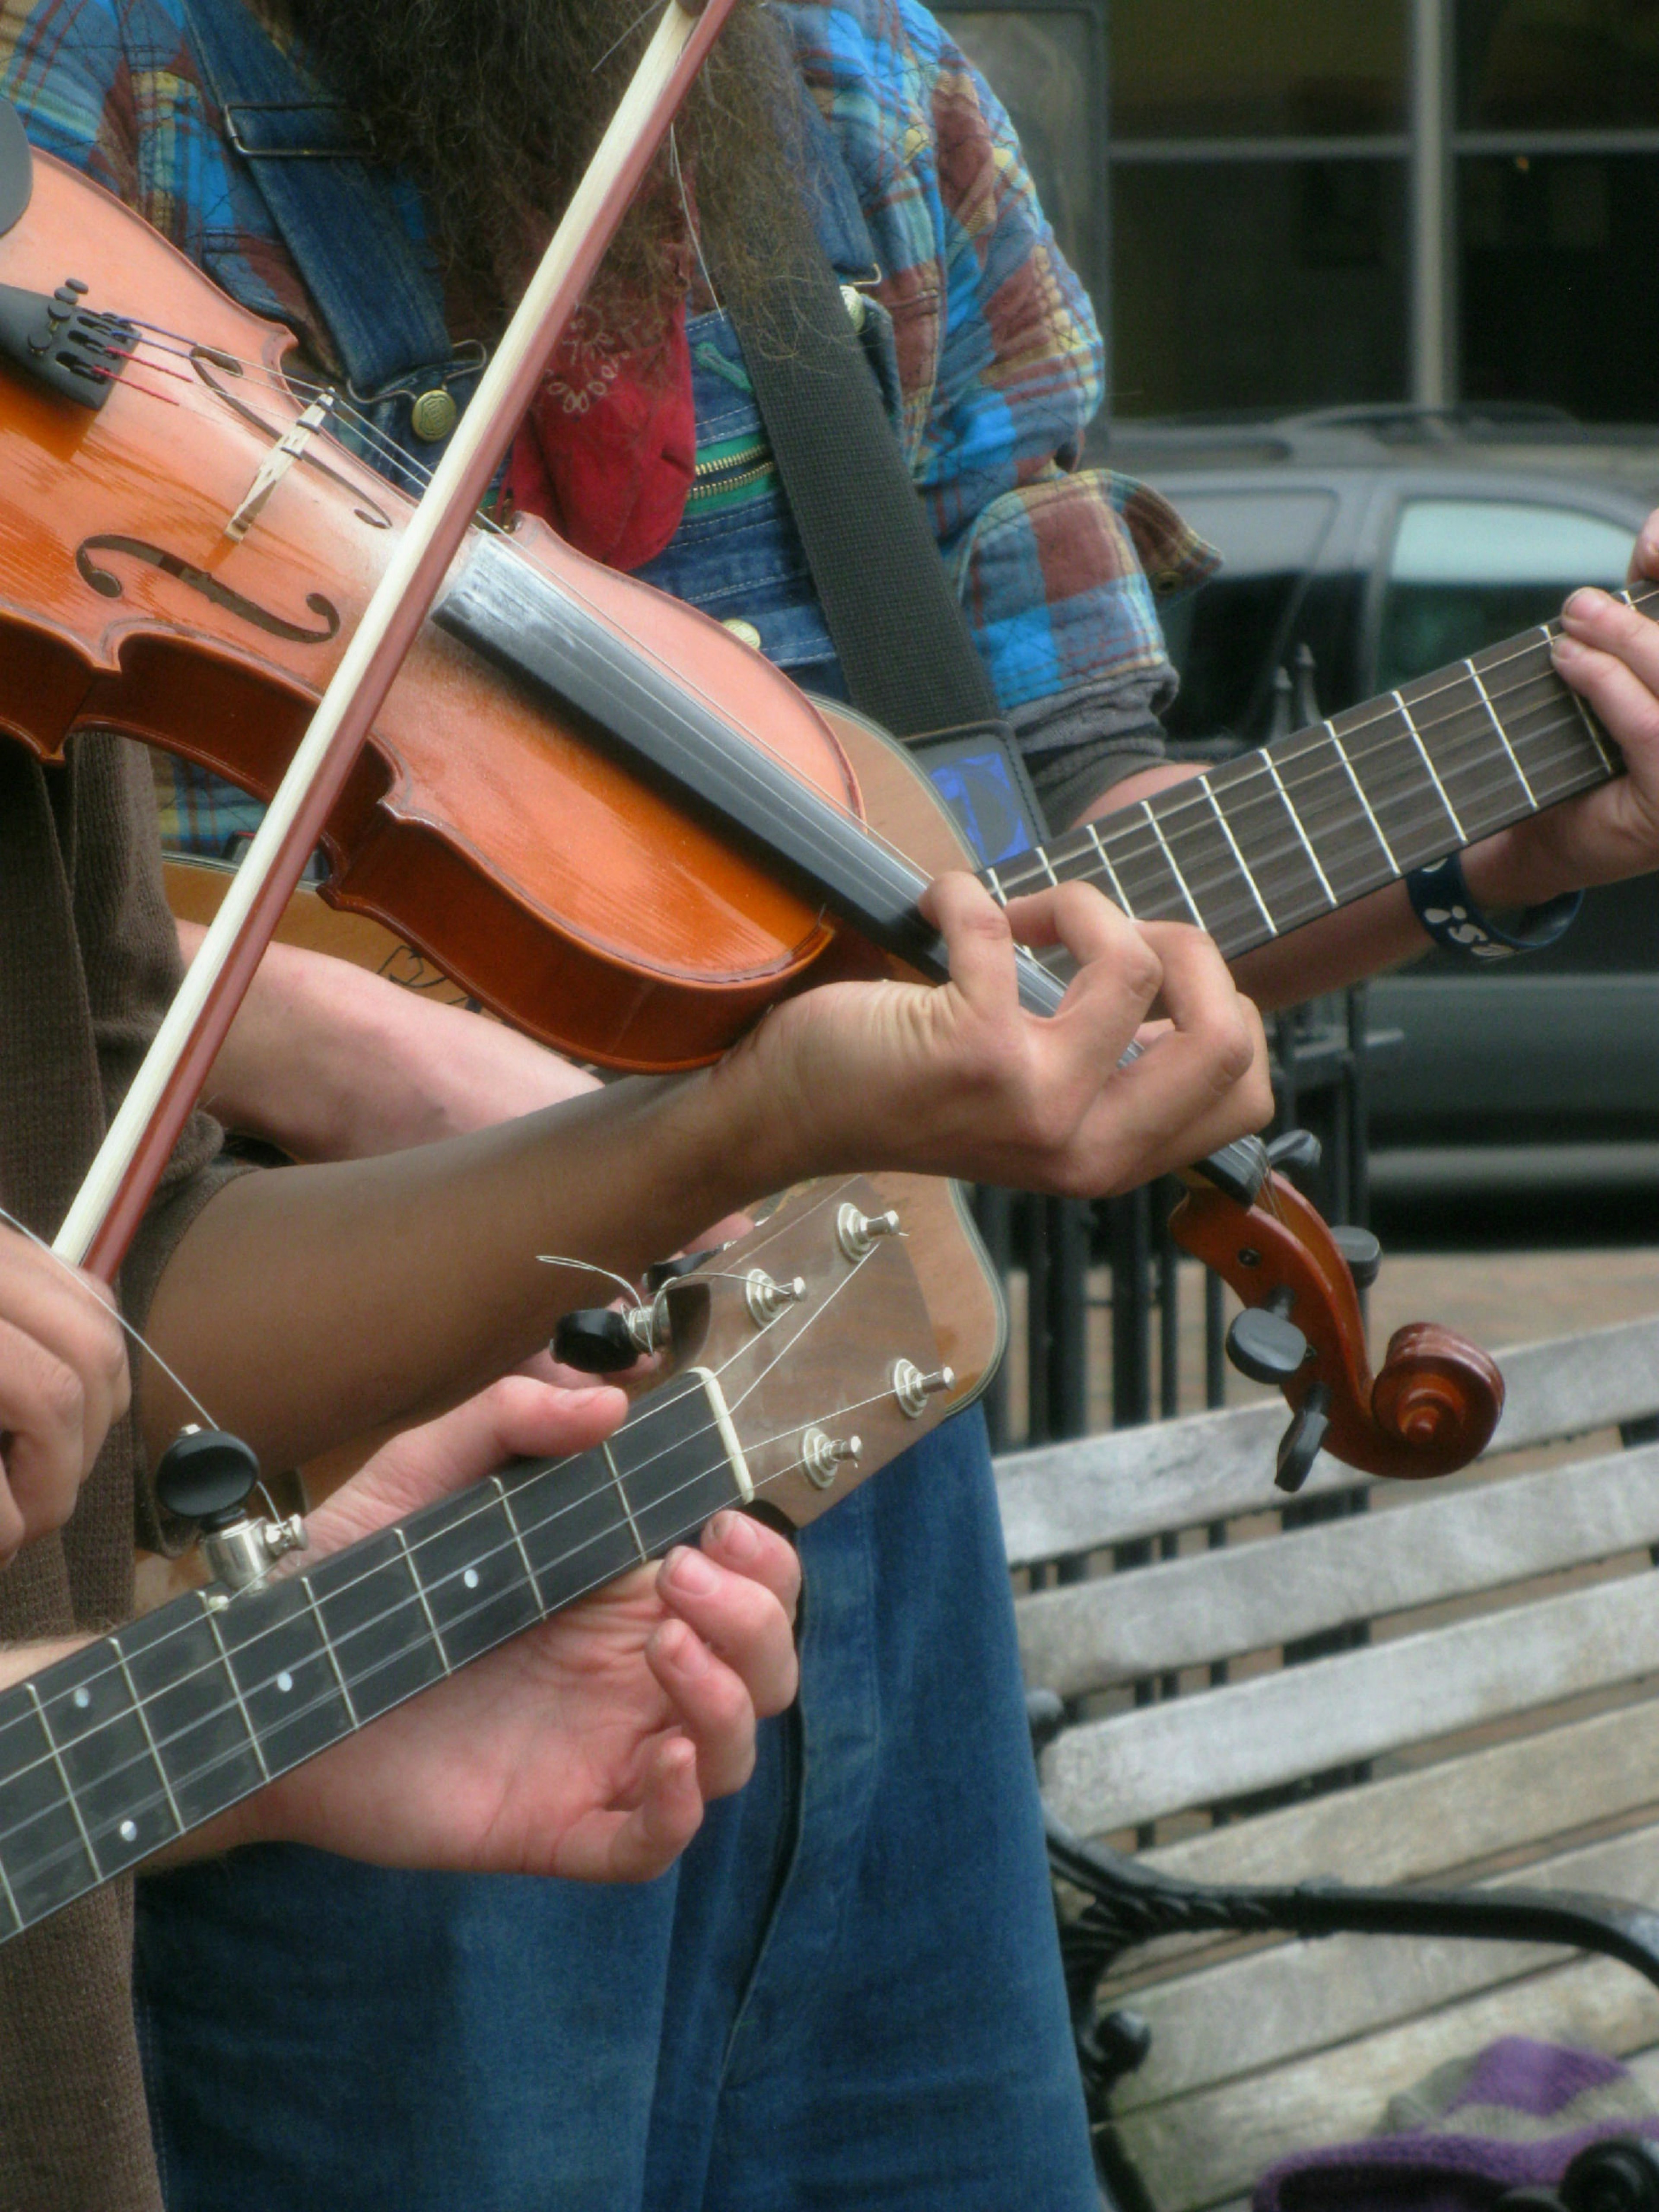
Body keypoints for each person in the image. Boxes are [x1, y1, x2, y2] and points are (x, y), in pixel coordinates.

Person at [3, 4, 1659, 2212]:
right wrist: (331, 1027)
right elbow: (84, 944)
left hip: (865, 1454)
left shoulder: (880, 101)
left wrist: (1497, 835)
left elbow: (1073, 838)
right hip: (370, 1526)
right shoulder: (99, 95)